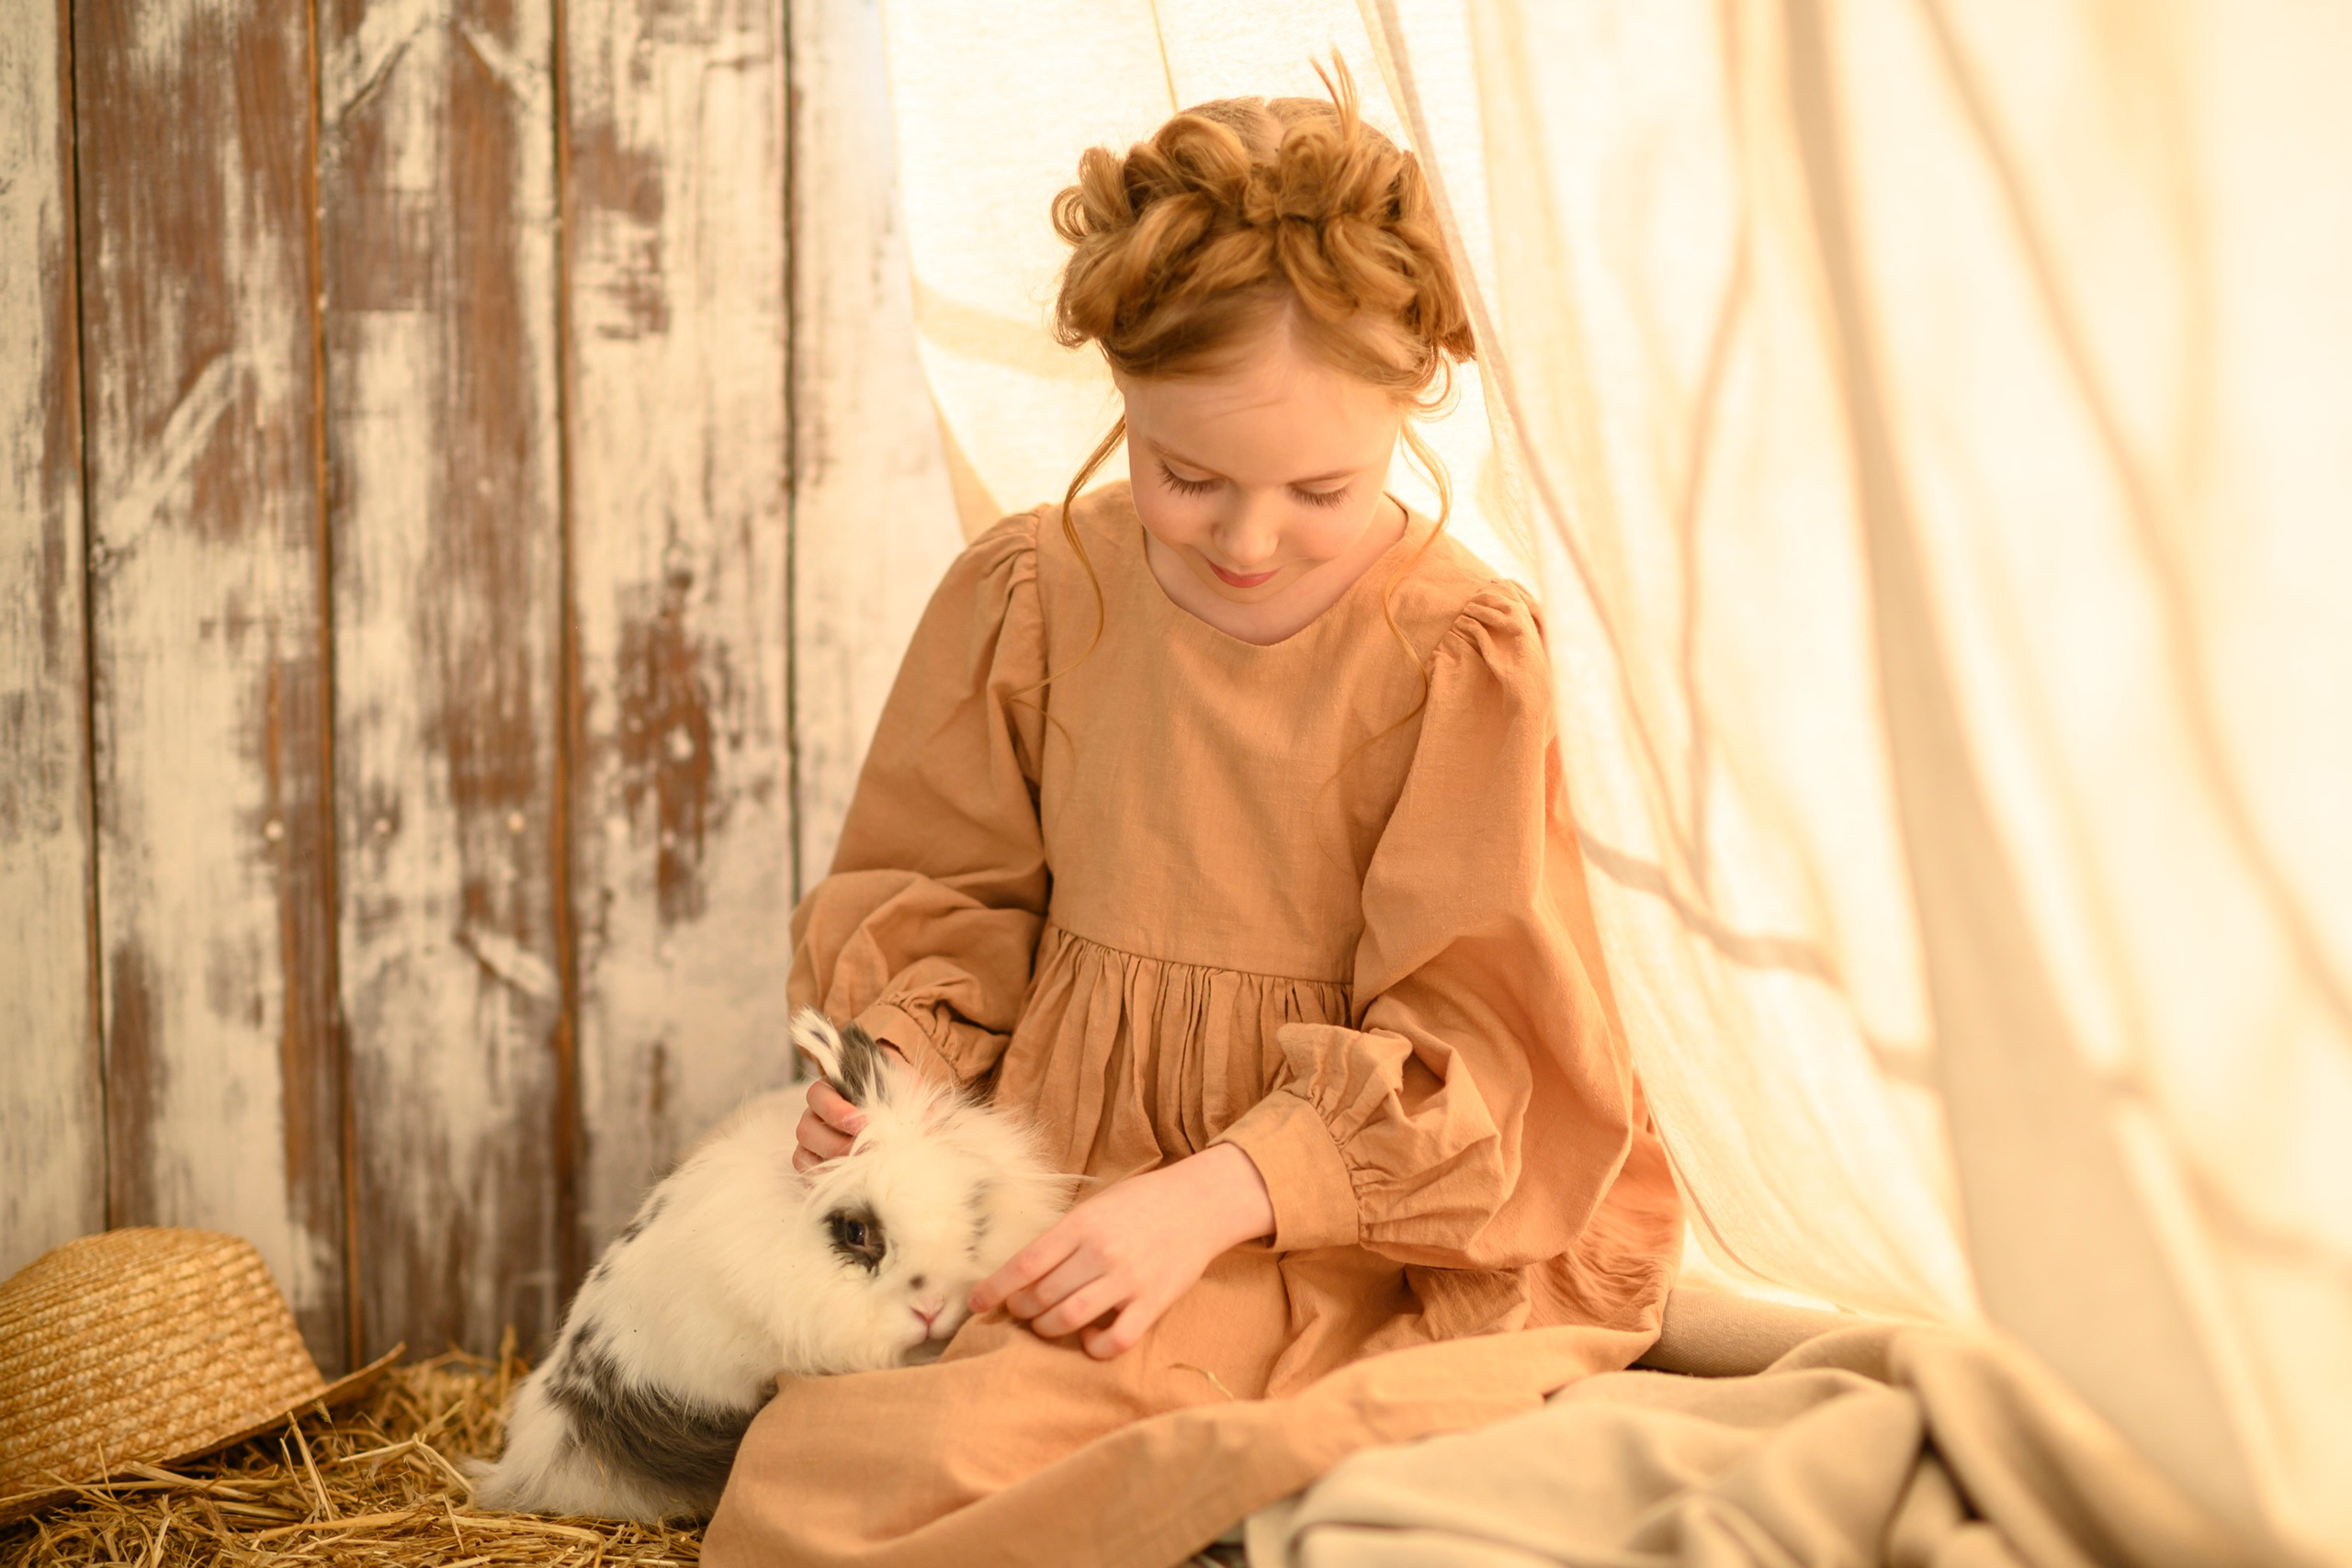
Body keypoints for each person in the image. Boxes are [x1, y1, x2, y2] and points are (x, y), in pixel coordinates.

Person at [704, 61, 1682, 1568]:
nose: (1248, 538)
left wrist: (1216, 1200)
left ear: (1411, 410)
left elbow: (1482, 1046)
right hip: (1047, 1165)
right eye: (1188, 476)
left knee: (1244, 1456)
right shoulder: (1036, 595)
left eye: (1321, 489)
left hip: (1315, 1219)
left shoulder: (1455, 651)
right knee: (813, 1475)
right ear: (1118, 391)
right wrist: (891, 1065)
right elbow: (942, 886)